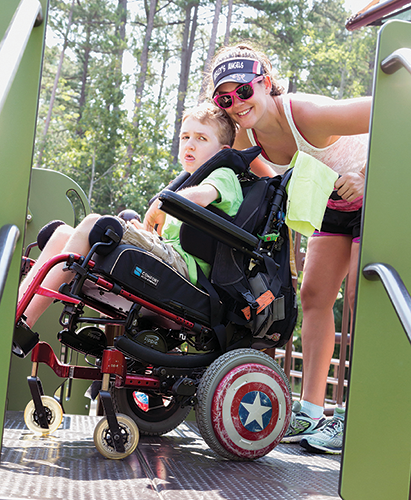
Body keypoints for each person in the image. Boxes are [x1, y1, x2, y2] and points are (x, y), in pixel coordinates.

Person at [208, 42, 371, 455]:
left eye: (244, 91)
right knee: (315, 295)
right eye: (225, 98)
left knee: (361, 297)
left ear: (265, 82)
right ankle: (311, 409)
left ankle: (357, 415)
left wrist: (369, 174)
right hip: (333, 202)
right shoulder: (247, 130)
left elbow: (394, 106)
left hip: (380, 188)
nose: (237, 104)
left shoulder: (305, 113)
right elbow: (253, 166)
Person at [18, 102, 242, 329]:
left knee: (94, 224)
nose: (189, 145)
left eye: (201, 139)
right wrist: (143, 232)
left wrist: (163, 203)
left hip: (187, 270)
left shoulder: (223, 174)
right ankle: (16, 309)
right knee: (61, 234)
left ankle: (24, 321)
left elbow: (200, 199)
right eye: (185, 137)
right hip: (172, 256)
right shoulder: (189, 181)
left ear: (222, 152)